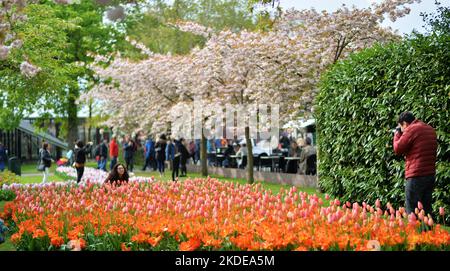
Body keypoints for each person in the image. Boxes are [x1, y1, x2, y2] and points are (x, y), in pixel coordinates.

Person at [393, 112, 437, 216]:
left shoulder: (411, 129)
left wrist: (397, 133)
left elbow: (398, 148)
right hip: (430, 174)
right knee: (426, 210)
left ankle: (413, 232)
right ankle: (427, 232)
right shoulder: (429, 129)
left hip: (416, 175)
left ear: (404, 124)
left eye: (401, 127)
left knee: (412, 209)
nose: (402, 130)